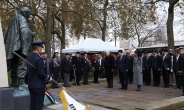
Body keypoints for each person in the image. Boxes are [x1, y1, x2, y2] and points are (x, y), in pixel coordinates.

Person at [4, 7, 36, 87]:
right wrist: (31, 34)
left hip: (13, 45)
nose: (28, 17)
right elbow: (24, 31)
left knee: (15, 63)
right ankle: (21, 84)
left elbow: (7, 32)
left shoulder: (13, 19)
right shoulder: (22, 18)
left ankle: (14, 82)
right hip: (20, 45)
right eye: (28, 15)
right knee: (22, 63)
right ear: (25, 13)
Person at [27, 41, 51, 110]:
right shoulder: (39, 59)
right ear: (38, 48)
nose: (41, 49)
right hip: (39, 85)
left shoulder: (29, 58)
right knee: (38, 105)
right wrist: (48, 77)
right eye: (41, 48)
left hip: (31, 84)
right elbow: (41, 73)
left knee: (33, 104)